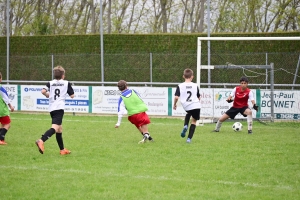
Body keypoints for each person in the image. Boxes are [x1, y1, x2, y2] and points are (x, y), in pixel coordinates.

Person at [35, 65, 75, 155]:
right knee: (55, 127)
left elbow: (43, 91)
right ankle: (41, 140)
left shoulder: (50, 82)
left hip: (52, 108)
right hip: (59, 107)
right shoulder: (66, 83)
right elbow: (72, 95)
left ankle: (62, 150)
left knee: (59, 129)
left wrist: (48, 95)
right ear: (63, 75)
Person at [173, 68, 201, 143]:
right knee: (194, 121)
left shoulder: (180, 86)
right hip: (196, 105)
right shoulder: (195, 85)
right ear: (192, 77)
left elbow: (176, 97)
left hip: (186, 106)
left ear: (183, 76)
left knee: (189, 113)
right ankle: (189, 139)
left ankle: (185, 125)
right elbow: (198, 97)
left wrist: (174, 104)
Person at [0, 72, 15, 145]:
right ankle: (1, 139)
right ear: (0, 79)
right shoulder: (1, 88)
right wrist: (10, 106)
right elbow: (6, 98)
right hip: (2, 110)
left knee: (3, 125)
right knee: (7, 124)